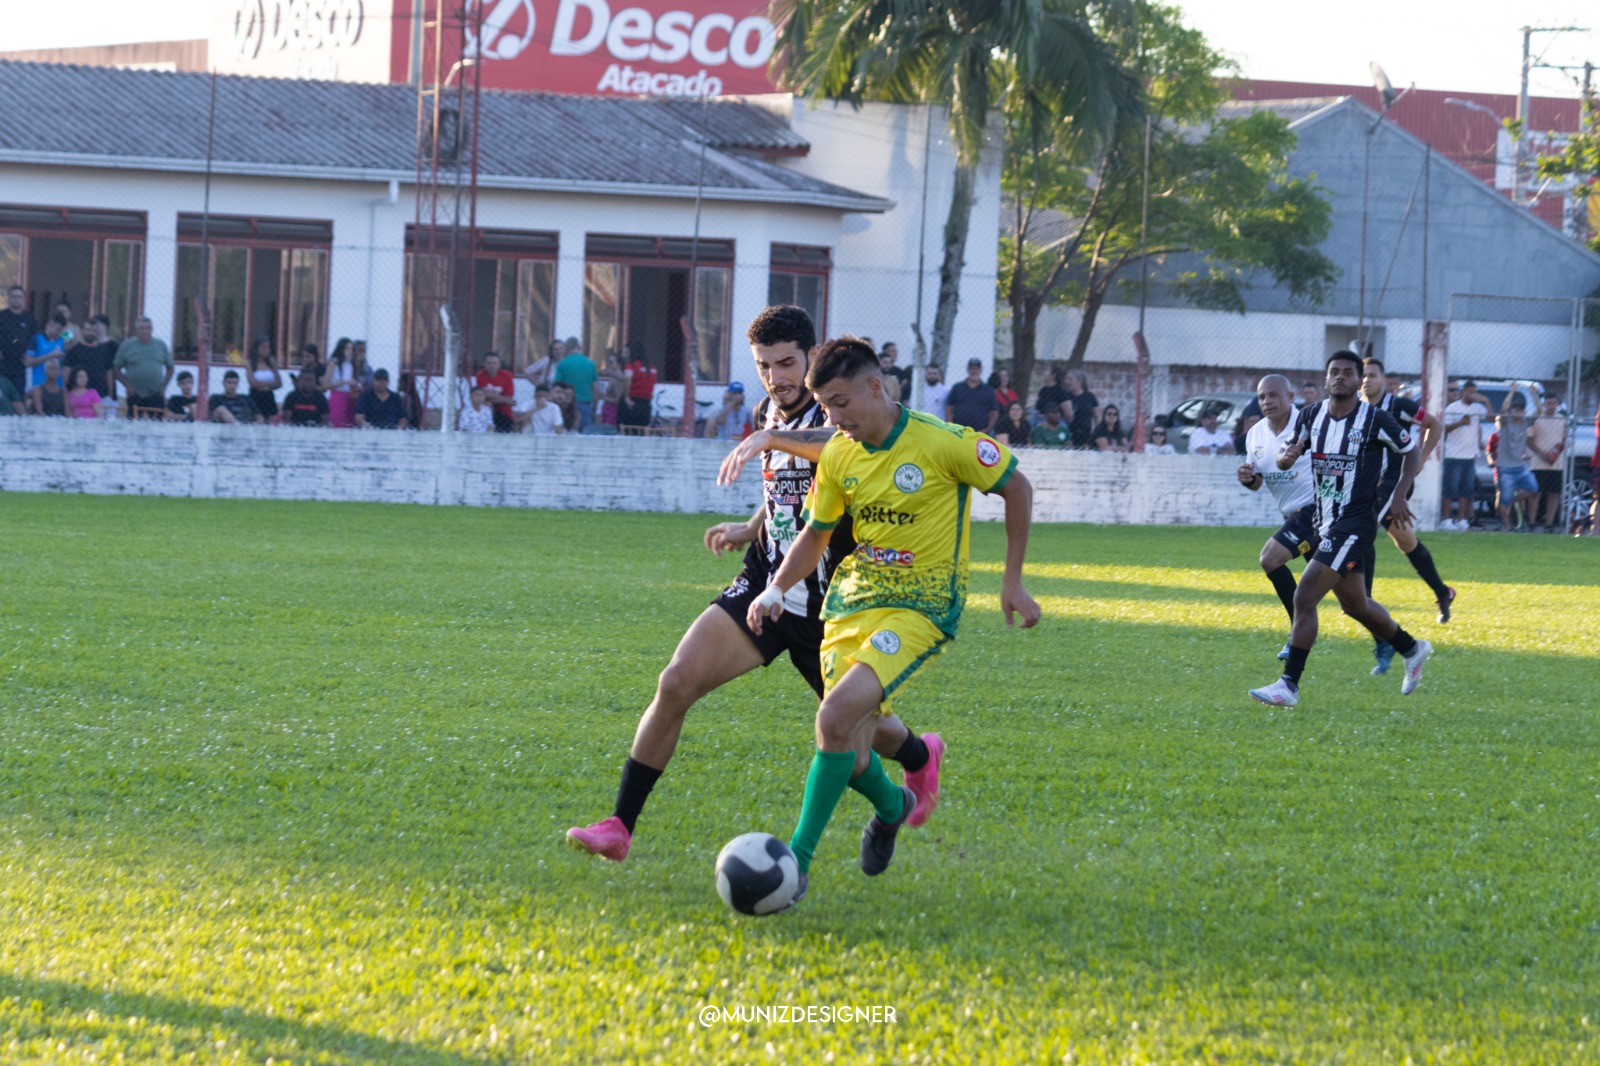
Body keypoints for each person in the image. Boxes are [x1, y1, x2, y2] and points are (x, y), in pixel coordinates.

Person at [567, 307, 942, 865]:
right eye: (765, 366)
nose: (776, 378)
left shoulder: (843, 408)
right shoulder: (772, 409)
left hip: (835, 609)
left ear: (813, 357)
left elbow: (835, 448)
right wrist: (751, 525)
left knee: (860, 747)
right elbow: (788, 491)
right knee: (675, 682)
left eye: (787, 363)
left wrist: (770, 436)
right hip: (766, 587)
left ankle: (915, 755)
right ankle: (620, 824)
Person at [745, 335, 1039, 904]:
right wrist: (776, 588)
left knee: (835, 716)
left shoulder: (942, 443)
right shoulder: (839, 454)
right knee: (850, 748)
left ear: (875, 387)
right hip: (851, 603)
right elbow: (816, 534)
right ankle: (894, 806)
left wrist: (1012, 580)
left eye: (840, 403)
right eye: (825, 407)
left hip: (921, 605)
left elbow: (1016, 486)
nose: (833, 418)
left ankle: (796, 863)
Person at [1249, 351, 1432, 707]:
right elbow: (1294, 448)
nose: (1341, 378)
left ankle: (1289, 685)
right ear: (1326, 378)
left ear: (1356, 380)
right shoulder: (1311, 416)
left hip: (1356, 523)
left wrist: (1398, 495)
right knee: (1355, 605)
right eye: (1335, 372)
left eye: (1349, 373)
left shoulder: (1375, 419)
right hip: (1323, 520)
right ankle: (1412, 648)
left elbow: (1410, 453)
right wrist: (1287, 457)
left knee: (1304, 597)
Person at [1359, 358, 1456, 674]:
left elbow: (1435, 424)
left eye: (1372, 375)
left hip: (1395, 485)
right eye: (1363, 375)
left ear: (1384, 380)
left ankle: (1371, 615)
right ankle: (1442, 592)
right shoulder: (1355, 409)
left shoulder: (1397, 404)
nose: (1366, 380)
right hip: (1369, 487)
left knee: (1362, 530)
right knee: (1405, 542)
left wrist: (1422, 459)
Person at [1237, 375, 1315, 653]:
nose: (1267, 402)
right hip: (1292, 518)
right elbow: (1257, 482)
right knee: (1350, 599)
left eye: (1273, 395)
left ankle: (1299, 633)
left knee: (1270, 559)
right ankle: (1399, 643)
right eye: (1261, 397)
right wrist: (1248, 478)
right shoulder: (1255, 433)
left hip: (1315, 513)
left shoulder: (1309, 424)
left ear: (1290, 397)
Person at [1439, 380, 1487, 530]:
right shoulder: (1453, 408)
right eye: (1470, 392)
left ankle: (1461, 520)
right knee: (1450, 489)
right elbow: (1444, 428)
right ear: (1463, 392)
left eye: (1474, 392)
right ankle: (1446, 520)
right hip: (1453, 455)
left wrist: (1486, 400)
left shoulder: (1477, 408)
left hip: (1469, 455)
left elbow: (1491, 417)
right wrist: (1460, 423)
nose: (1472, 395)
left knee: (1466, 490)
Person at [1493, 386, 1538, 532]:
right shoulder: (1506, 423)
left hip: (1519, 466)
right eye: (1515, 410)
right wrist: (1512, 391)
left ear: (1524, 412)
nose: (1517, 413)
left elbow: (1539, 411)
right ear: (1512, 412)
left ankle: (1511, 501)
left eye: (1520, 410)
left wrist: (1534, 394)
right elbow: (1503, 408)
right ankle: (1506, 525)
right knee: (1503, 500)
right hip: (1505, 467)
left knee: (1533, 489)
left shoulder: (1525, 423)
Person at [113, 316, 174, 417]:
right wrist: (128, 386)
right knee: (132, 426)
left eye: (148, 328)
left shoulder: (160, 345)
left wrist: (163, 387)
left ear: (152, 329)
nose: (145, 331)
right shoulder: (126, 346)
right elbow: (116, 368)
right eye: (141, 328)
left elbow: (170, 367)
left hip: (156, 393)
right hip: (135, 394)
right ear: (136, 330)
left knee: (157, 426)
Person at [1526, 393, 1566, 532]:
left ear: (1557, 404)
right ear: (1544, 404)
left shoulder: (1562, 419)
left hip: (1556, 464)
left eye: (1554, 403)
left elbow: (1564, 440)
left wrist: (1554, 454)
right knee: (1535, 493)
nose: (1551, 406)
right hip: (1538, 463)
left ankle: (1549, 524)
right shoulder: (1536, 419)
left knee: (1553, 494)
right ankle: (1532, 523)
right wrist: (1542, 454)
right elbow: (1529, 440)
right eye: (1548, 403)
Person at [66, 314, 118, 402]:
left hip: (102, 397)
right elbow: (66, 375)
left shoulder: (105, 350)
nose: (91, 333)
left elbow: (109, 374)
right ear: (82, 330)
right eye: (88, 330)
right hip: (80, 398)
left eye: (94, 330)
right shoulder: (73, 351)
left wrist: (109, 395)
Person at [0, 284, 40, 395]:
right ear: (8, 298)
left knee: (18, 394)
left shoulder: (29, 318)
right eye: (13, 296)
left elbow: (35, 338)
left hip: (20, 363)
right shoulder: (2, 316)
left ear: (24, 299)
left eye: (19, 297)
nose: (16, 299)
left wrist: (29, 353)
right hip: (3, 362)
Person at [553, 337, 598, 430]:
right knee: (585, 436)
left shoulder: (562, 363)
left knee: (566, 435)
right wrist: (594, 406)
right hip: (586, 404)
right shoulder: (590, 363)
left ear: (566, 348)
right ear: (578, 346)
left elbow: (557, 386)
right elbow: (596, 388)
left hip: (567, 405)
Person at [944, 357, 999, 433]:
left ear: (981, 370)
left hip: (980, 432)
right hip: (960, 432)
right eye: (972, 368)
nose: (974, 371)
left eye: (976, 369)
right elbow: (948, 408)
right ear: (967, 370)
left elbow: (994, 411)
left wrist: (988, 429)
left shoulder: (988, 390)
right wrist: (951, 426)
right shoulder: (957, 388)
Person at [24, 312, 69, 389]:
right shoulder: (36, 338)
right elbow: (28, 362)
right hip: (37, 385)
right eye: (58, 329)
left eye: (61, 331)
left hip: (56, 387)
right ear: (50, 324)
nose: (59, 333)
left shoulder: (61, 341)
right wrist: (50, 355)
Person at [475, 352, 517, 433]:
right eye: (488, 363)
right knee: (488, 405)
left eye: (494, 363)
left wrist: (490, 395)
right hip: (486, 411)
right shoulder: (480, 375)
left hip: (504, 413)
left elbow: (509, 399)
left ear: (499, 365)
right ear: (484, 364)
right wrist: (500, 398)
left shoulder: (507, 376)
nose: (491, 366)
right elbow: (481, 396)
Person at [244, 336, 281, 423]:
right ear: (256, 349)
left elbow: (278, 383)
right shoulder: (250, 363)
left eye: (268, 347)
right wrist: (270, 384)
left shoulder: (271, 363)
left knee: (270, 423)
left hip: (269, 397)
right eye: (263, 347)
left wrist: (264, 385)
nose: (266, 350)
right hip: (255, 397)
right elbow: (253, 383)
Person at [620, 341, 655, 429]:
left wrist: (626, 397)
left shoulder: (631, 365)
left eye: (627, 352)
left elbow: (628, 377)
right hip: (645, 404)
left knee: (626, 430)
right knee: (641, 432)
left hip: (632, 401)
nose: (625, 355)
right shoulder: (652, 367)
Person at [1062, 370, 1101, 448]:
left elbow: (1097, 416)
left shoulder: (1090, 397)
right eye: (1067, 379)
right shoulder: (1066, 397)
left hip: (1086, 433)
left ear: (1079, 381)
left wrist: (1096, 432)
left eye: (1070, 379)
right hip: (1070, 434)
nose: (1067, 382)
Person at [326, 337, 358, 427]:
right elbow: (326, 385)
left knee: (349, 425)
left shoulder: (351, 364)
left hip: (349, 397)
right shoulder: (333, 363)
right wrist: (344, 382)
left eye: (351, 349)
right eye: (347, 348)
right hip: (337, 396)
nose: (350, 351)